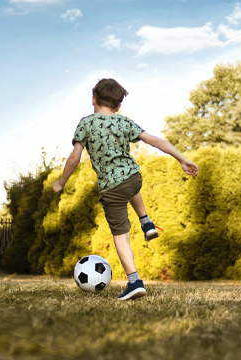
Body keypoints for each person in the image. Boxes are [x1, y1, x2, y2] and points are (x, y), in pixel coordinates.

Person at [52, 78, 198, 301]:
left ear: (93, 99)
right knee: (128, 185)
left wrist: (61, 182)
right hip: (133, 177)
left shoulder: (86, 124)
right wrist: (182, 159)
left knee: (121, 238)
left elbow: (74, 158)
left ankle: (134, 281)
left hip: (111, 189)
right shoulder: (124, 122)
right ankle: (146, 220)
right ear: (119, 106)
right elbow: (155, 141)